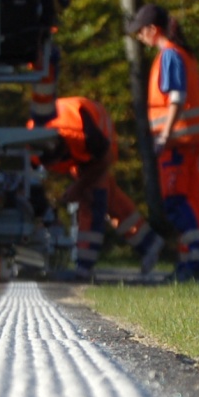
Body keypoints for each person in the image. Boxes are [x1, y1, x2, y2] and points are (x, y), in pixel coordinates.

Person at [30, 96, 166, 281]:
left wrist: (78, 187)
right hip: (79, 136)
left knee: (93, 196)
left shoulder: (87, 135)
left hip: (101, 134)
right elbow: (29, 179)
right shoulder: (30, 139)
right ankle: (149, 242)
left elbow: (104, 160)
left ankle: (84, 266)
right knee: (111, 199)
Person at [126, 3, 199, 280]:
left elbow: (176, 98)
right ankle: (193, 259)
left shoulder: (169, 57)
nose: (140, 37)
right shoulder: (181, 55)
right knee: (188, 200)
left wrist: (164, 135)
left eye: (140, 32)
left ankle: (195, 260)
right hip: (186, 140)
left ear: (153, 29)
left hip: (177, 142)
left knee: (176, 201)